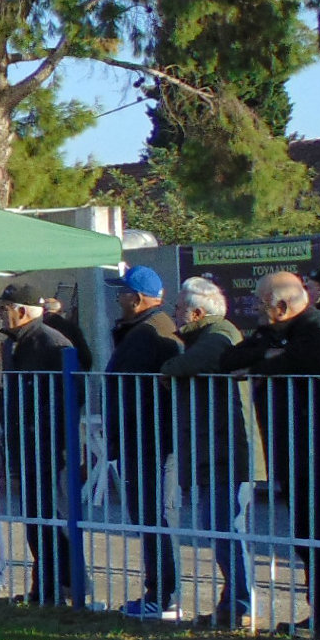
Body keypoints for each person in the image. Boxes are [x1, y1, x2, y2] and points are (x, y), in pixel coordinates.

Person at [229, 271, 320, 640]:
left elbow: (311, 361)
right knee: (306, 537)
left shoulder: (316, 327)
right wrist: (268, 355)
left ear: (281, 305)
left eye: (262, 304)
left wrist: (263, 363)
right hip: (292, 451)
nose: (258, 312)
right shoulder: (273, 333)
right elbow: (230, 358)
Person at [159, 275, 249, 625]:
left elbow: (189, 364)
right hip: (212, 447)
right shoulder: (204, 336)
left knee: (225, 526)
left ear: (196, 312)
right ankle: (234, 601)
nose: (175, 314)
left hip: (227, 448)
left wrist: (170, 369)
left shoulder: (219, 334)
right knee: (217, 526)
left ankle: (238, 603)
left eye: (179, 308)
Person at [103, 264, 185, 619]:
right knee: (151, 517)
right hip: (145, 437)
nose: (117, 298)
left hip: (146, 439)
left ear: (135, 299)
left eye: (121, 293)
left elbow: (129, 390)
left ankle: (161, 595)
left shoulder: (147, 333)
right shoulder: (148, 328)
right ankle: (162, 592)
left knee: (151, 517)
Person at [0, 283, 82, 605]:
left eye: (5, 308)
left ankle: (59, 585)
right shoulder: (13, 344)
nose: (1, 314)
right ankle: (45, 585)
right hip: (25, 445)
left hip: (49, 446)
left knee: (50, 518)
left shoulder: (51, 343)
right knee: (34, 518)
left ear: (22, 310)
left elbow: (70, 395)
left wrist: (40, 427)